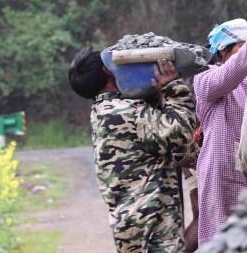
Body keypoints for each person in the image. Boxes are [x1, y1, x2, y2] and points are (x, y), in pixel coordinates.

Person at [68, 47, 199, 253]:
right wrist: (174, 86)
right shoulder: (126, 112)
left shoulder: (105, 109)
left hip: (135, 225)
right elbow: (182, 131)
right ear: (107, 71)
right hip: (152, 226)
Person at [194, 10, 247, 244]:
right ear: (224, 51)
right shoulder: (206, 81)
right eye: (242, 47)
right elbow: (229, 75)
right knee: (221, 240)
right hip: (220, 177)